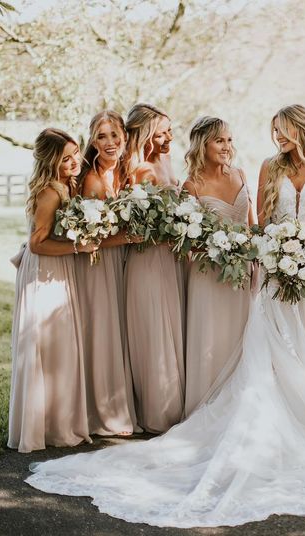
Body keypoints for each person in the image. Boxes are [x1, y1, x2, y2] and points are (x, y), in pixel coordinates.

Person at [26, 105, 305, 529]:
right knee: (266, 345)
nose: (278, 140)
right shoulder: (268, 166)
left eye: (284, 132)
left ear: (301, 131)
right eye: (274, 133)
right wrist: (280, 252)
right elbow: (264, 219)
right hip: (275, 268)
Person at [8, 128, 96, 453]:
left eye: (76, 154)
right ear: (51, 159)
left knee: (58, 346)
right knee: (46, 345)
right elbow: (37, 244)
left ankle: (56, 423)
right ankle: (43, 428)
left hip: (56, 269)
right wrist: (79, 247)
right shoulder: (50, 192)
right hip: (45, 271)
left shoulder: (65, 186)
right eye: (67, 157)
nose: (75, 161)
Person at [182, 116, 254, 416]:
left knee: (243, 337)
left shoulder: (239, 174)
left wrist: (249, 252)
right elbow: (186, 241)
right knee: (211, 339)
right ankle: (208, 409)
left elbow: (251, 224)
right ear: (203, 144)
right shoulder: (191, 185)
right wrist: (220, 247)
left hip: (242, 273)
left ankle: (242, 406)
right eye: (219, 140)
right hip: (208, 275)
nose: (227, 146)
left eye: (229, 140)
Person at [75, 111, 140, 437]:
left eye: (115, 135)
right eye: (102, 137)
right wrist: (129, 237)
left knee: (119, 330)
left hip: (121, 262)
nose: (110, 143)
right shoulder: (91, 180)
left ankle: (119, 405)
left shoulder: (128, 174)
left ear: (125, 137)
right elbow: (91, 237)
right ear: (92, 141)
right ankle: (103, 413)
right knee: (102, 331)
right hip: (97, 265)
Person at [123, 103, 185, 433]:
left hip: (171, 258)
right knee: (153, 328)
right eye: (163, 132)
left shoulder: (164, 160)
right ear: (145, 133)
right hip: (146, 258)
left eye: (170, 131)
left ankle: (173, 406)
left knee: (171, 326)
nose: (169, 137)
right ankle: (155, 411)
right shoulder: (132, 167)